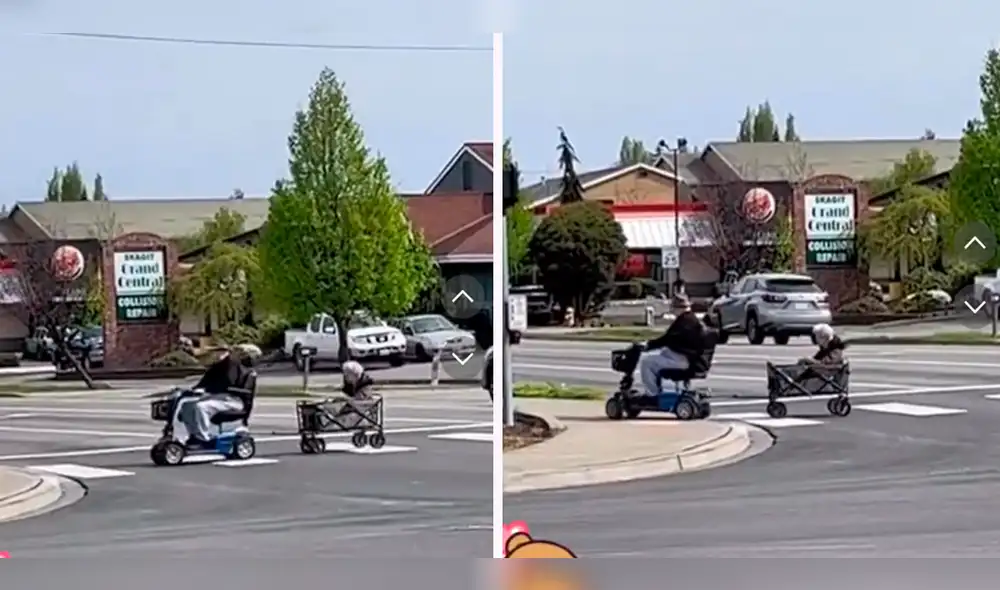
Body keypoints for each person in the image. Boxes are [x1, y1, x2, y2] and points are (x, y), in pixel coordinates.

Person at [180, 344, 260, 447]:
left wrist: (208, 389)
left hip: (233, 400)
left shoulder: (238, 368)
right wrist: (192, 390)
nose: (215, 355)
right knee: (187, 405)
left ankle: (203, 438)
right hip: (218, 398)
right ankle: (194, 435)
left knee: (201, 407)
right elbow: (204, 383)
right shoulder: (218, 368)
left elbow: (229, 383)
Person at [639, 293, 706, 396]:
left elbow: (666, 339)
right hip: (691, 359)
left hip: (682, 360)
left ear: (677, 308)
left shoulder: (682, 322)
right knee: (662, 353)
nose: (672, 311)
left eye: (673, 308)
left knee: (647, 362)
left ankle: (652, 394)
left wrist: (648, 345)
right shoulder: (692, 320)